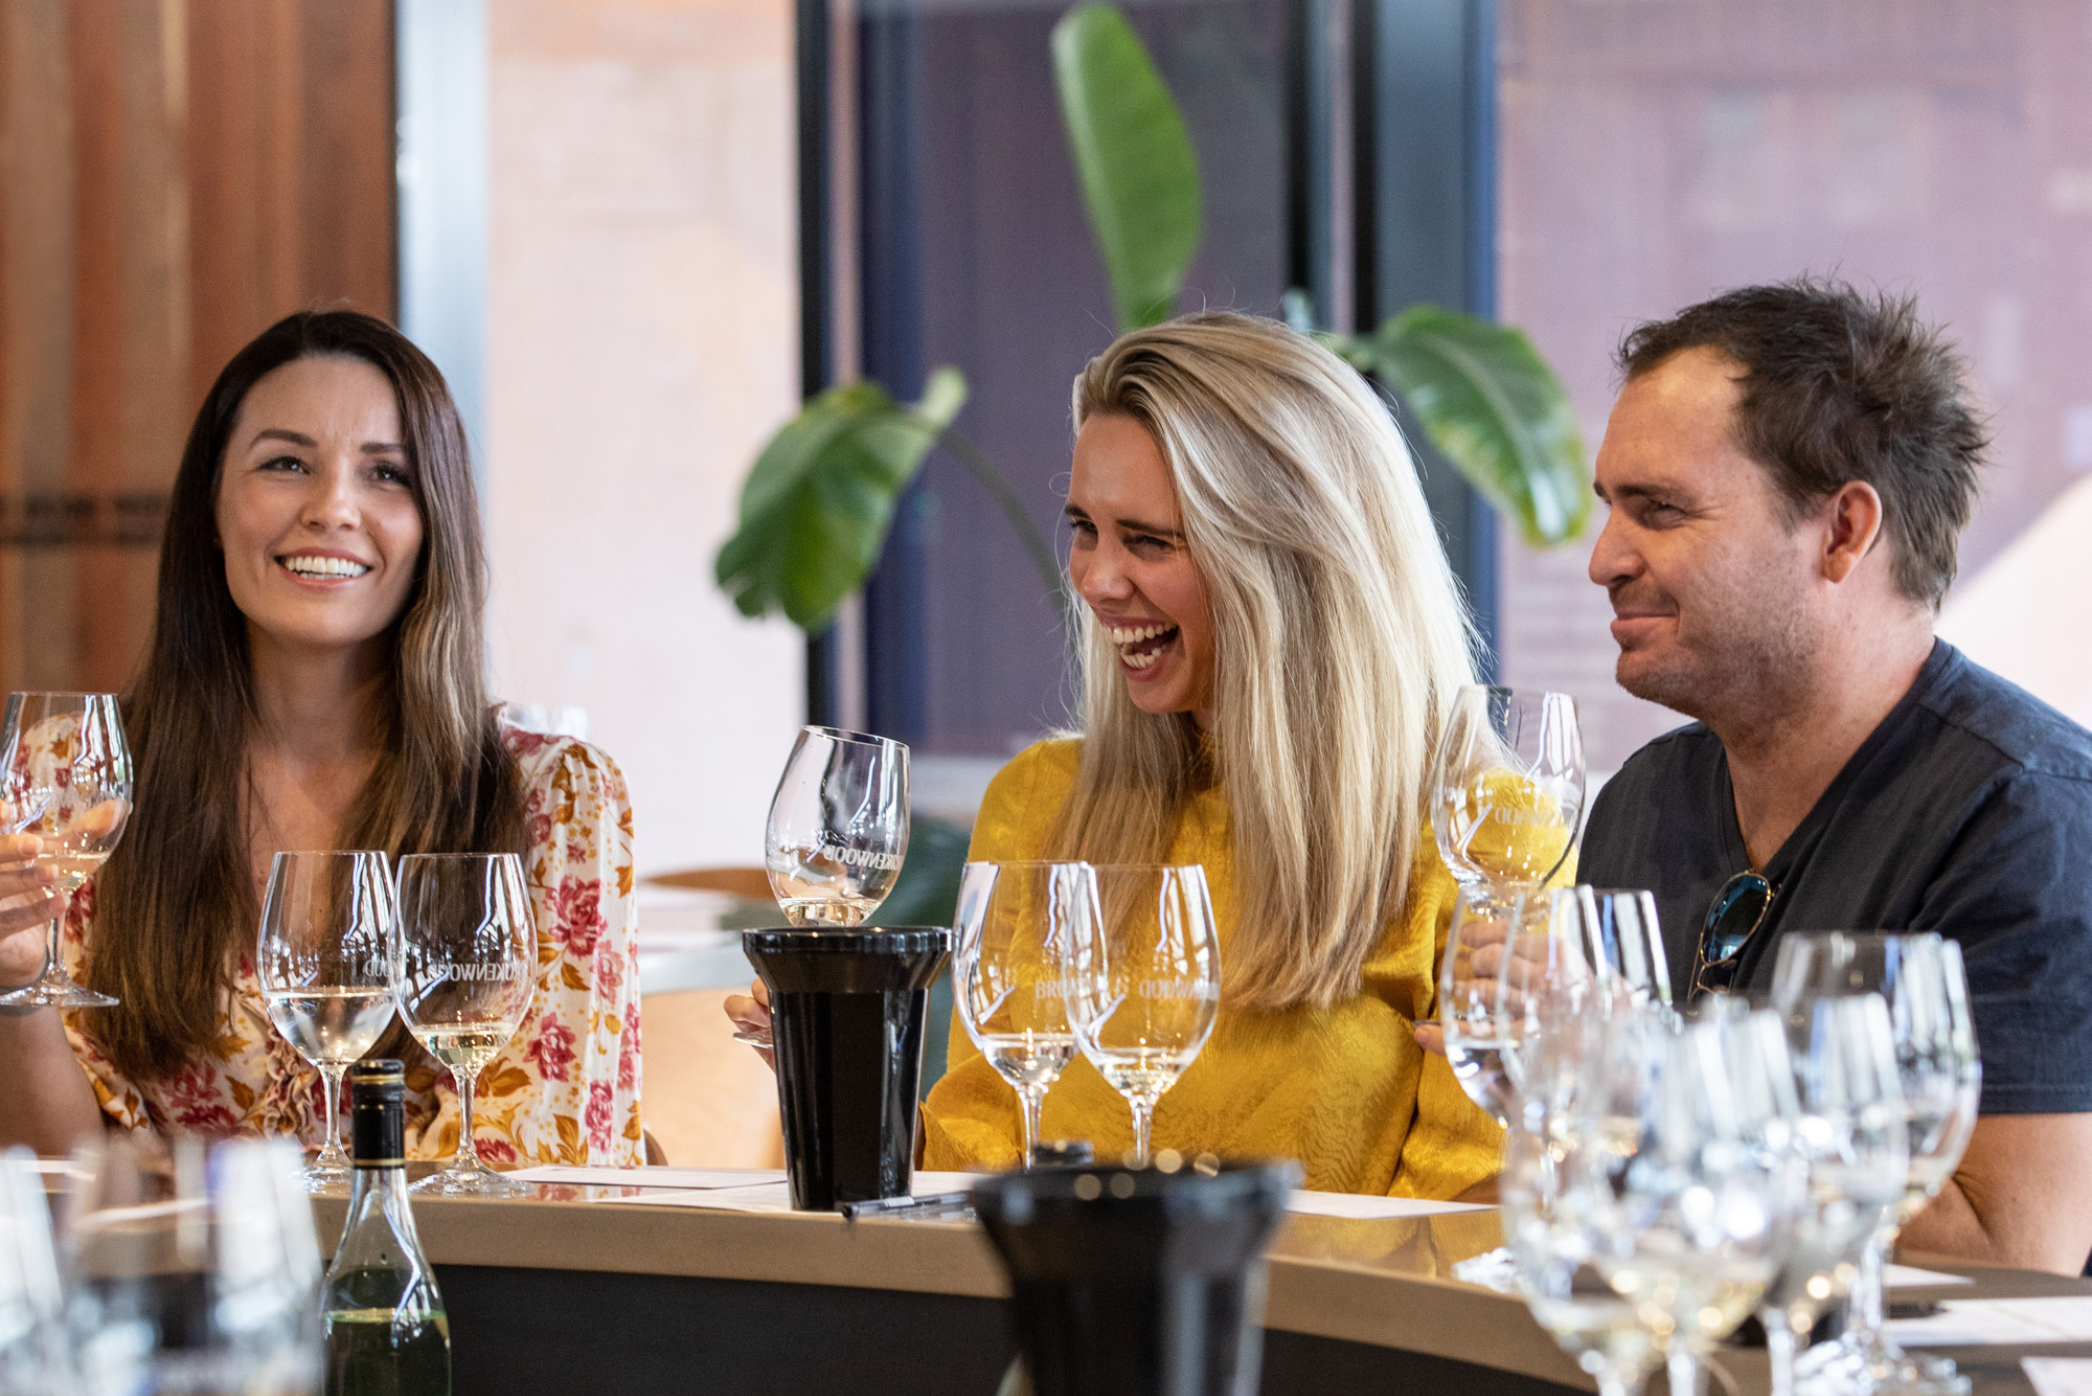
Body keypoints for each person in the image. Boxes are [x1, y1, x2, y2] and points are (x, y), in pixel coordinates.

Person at [731, 311, 1513, 1196]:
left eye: (1149, 540)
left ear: (1293, 558)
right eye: (1085, 528)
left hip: (1318, 1332)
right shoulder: (1041, 802)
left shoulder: (1481, 833)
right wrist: (834, 1071)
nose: (1098, 579)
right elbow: (978, 1169)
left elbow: (1464, 1222)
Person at [0, 310, 643, 1167]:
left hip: (455, 1296)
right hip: (168, 1293)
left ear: (434, 523)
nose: (333, 507)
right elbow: (70, 1189)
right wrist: (14, 989)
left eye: (386, 474)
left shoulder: (552, 800)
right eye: (286, 464)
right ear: (212, 509)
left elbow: (538, 1174)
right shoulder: (74, 778)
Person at [1578, 279, 2092, 1274]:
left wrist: (1636, 1098)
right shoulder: (1644, 798)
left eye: (1659, 510)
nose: (1603, 559)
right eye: (1610, 508)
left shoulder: (2028, 817)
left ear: (1843, 532)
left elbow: (2012, 1245)